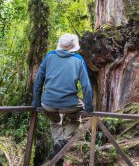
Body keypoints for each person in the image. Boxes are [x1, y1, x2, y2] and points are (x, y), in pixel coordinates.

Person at [32, 33, 94, 165]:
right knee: (76, 118)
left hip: (48, 104)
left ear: (60, 45)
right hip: (70, 105)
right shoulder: (78, 59)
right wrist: (89, 106)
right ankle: (64, 142)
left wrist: (36, 101)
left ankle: (58, 143)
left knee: (55, 121)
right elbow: (86, 86)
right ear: (73, 47)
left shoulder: (49, 56)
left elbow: (38, 81)